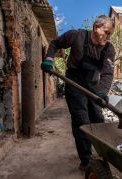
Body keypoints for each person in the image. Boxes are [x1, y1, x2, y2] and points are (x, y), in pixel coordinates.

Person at [41, 15, 115, 170]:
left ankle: (104, 155)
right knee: (81, 120)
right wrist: (49, 59)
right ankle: (86, 160)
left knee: (98, 118)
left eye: (110, 34)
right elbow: (55, 43)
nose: (108, 37)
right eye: (107, 32)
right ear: (96, 28)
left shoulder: (109, 49)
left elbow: (107, 73)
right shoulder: (76, 36)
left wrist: (102, 92)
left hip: (93, 85)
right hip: (74, 83)